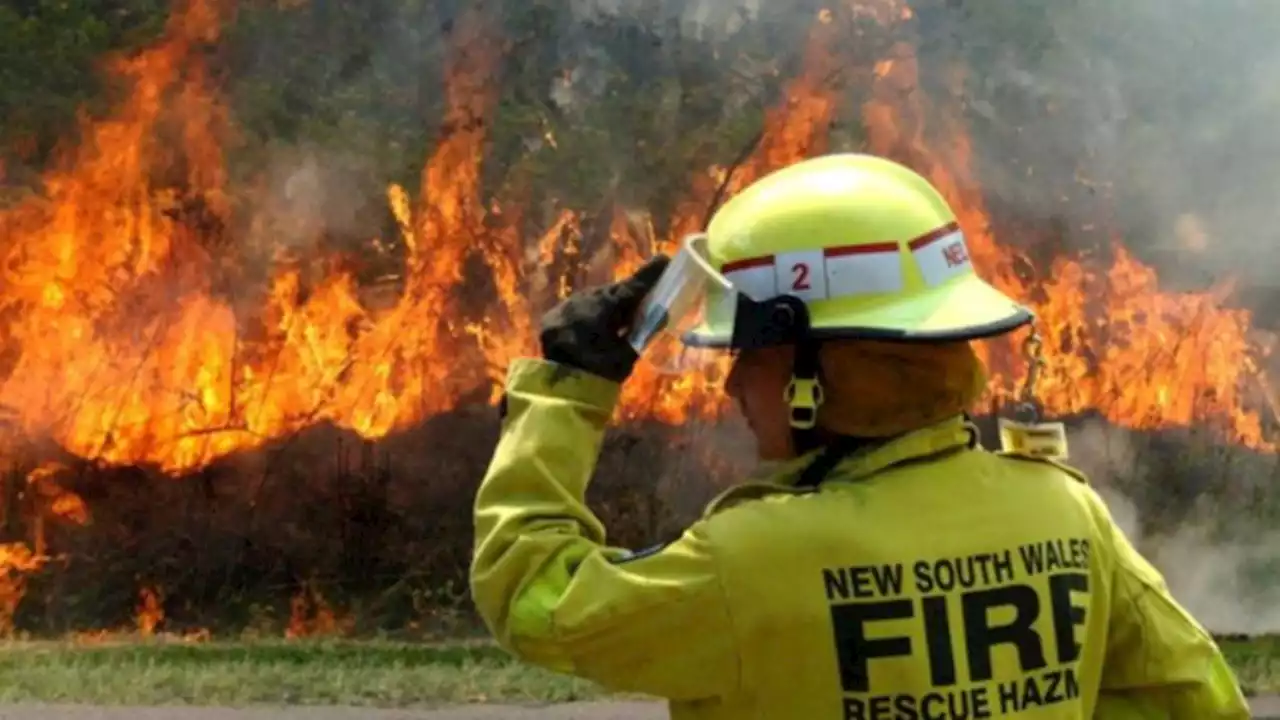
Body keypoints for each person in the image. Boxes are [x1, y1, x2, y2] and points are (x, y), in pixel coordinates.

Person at [469, 153, 1251, 719]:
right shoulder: (1064, 511)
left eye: (754, 357)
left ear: (822, 376)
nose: (736, 384)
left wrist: (567, 396)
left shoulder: (747, 562)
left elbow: (534, 597)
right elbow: (1197, 699)